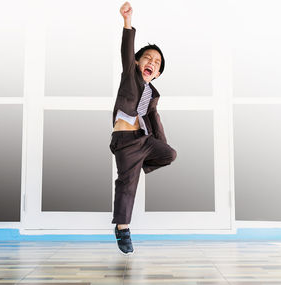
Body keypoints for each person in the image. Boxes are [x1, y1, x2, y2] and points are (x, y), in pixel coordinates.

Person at [110, 1, 177, 255]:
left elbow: (155, 121)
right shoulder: (131, 75)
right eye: (147, 57)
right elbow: (127, 52)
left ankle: (137, 167)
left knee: (170, 154)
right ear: (138, 62)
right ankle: (122, 227)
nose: (151, 62)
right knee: (128, 184)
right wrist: (127, 23)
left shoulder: (152, 93)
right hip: (125, 139)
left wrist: (164, 145)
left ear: (157, 73)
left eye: (156, 62)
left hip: (143, 139)